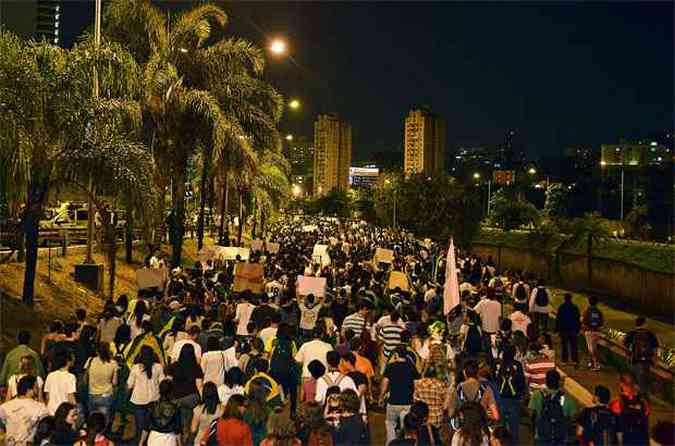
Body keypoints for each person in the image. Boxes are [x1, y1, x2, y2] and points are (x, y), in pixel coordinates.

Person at [379, 347, 420, 445]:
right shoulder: (411, 367)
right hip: (408, 403)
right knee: (406, 429)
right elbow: (417, 384)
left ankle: (390, 443)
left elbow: (385, 383)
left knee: (390, 425)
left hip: (393, 402)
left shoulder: (391, 367)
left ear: (396, 355)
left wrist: (381, 397)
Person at [128, 345, 165, 445]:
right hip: (154, 399)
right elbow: (162, 383)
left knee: (140, 425)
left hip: (139, 400)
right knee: (151, 424)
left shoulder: (135, 368)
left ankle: (140, 442)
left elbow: (130, 385)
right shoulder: (158, 367)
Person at [166, 343, 203, 444]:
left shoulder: (173, 366)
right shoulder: (196, 367)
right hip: (192, 398)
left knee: (179, 411)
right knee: (188, 414)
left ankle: (181, 435)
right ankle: (187, 434)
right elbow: (199, 386)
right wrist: (202, 399)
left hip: (176, 398)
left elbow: (168, 382)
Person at [528, 370, 577, 445]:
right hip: (560, 436)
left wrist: (532, 435)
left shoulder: (537, 395)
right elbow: (573, 417)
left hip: (542, 435)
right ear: (558, 382)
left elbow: (531, 415)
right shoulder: (566, 397)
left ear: (546, 381)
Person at [447, 359, 499, 429]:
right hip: (480, 431)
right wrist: (486, 414)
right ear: (478, 372)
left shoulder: (456, 389)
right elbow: (496, 416)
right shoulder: (486, 389)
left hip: (463, 431)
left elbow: (450, 414)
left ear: (464, 372)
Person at [0, 375, 49, 445]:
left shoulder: (5, 407)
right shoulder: (40, 407)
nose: (38, 389)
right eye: (36, 387)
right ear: (29, 390)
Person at [493, 345, 526, 445]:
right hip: (514, 400)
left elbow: (496, 382)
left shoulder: (499, 365)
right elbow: (521, 382)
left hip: (501, 399)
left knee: (500, 430)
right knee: (514, 430)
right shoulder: (517, 365)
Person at [608, 374, 650, 446]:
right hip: (640, 439)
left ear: (621, 384)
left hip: (625, 439)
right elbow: (645, 423)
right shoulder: (644, 403)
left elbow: (614, 424)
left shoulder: (617, 402)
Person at [623, 317, 658, 397]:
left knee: (636, 378)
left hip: (635, 360)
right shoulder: (650, 334)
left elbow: (625, 345)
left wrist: (628, 355)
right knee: (644, 379)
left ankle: (636, 396)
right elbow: (655, 348)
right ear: (644, 324)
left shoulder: (632, 333)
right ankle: (643, 396)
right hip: (647, 361)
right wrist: (655, 360)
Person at [267, 323, 299, 414]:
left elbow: (267, 355)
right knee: (292, 389)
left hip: (274, 370)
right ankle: (292, 410)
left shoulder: (273, 341)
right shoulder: (291, 343)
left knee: (275, 388)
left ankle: (276, 407)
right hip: (288, 371)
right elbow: (295, 357)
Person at [294, 327, 333, 398]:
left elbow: (297, 361)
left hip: (307, 376)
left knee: (304, 400)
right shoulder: (328, 346)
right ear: (322, 335)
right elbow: (331, 361)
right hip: (324, 377)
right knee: (321, 399)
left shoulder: (305, 345)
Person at [86, 342, 118, 422]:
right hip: (106, 395)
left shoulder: (90, 360)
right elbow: (115, 382)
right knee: (103, 421)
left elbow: (86, 377)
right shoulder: (113, 363)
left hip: (92, 394)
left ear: (97, 351)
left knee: (93, 420)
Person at [147, 379, 182, 446]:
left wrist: (140, 442)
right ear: (171, 391)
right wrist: (180, 444)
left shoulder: (152, 405)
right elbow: (178, 429)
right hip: (169, 440)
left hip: (153, 438)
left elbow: (145, 427)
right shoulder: (175, 408)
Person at [413, 363, 447, 429]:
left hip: (422, 418)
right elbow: (445, 404)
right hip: (437, 419)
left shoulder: (418, 383)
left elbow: (415, 399)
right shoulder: (440, 385)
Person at [191, 382, 224, 446]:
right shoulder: (222, 409)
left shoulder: (198, 409)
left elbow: (193, 429)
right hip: (215, 442)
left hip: (199, 441)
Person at [44, 351, 76, 416]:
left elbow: (47, 396)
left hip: (50, 410)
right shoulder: (71, 377)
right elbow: (70, 397)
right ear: (68, 361)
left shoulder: (50, 375)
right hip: (64, 412)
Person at [555, 293, 581, 366]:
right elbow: (577, 319)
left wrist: (557, 329)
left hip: (563, 329)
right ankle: (575, 360)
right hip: (573, 329)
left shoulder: (561, 307)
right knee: (574, 345)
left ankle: (564, 360)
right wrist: (578, 329)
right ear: (571, 298)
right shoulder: (575, 307)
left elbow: (558, 319)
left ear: (564, 299)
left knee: (564, 345)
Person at [582, 296, 604, 371]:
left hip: (589, 332)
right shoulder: (599, 311)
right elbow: (601, 322)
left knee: (591, 349)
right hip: (597, 331)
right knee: (594, 349)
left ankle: (595, 365)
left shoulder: (587, 311)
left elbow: (584, 322)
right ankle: (592, 363)